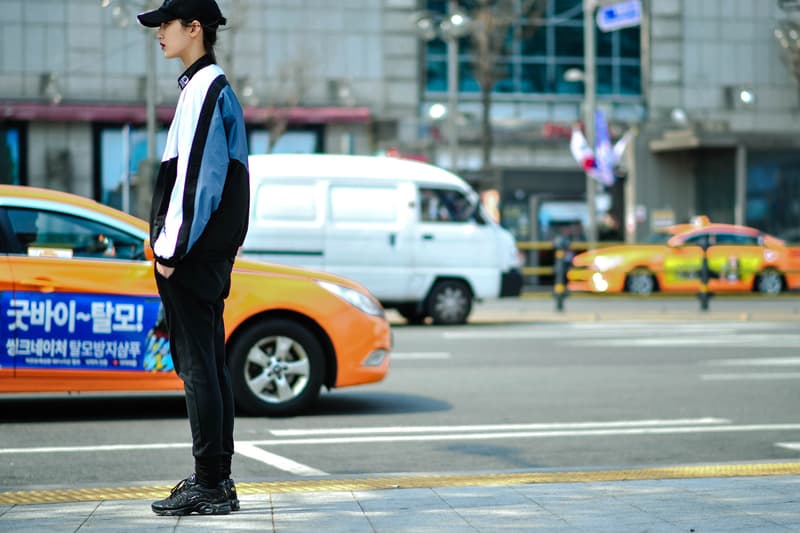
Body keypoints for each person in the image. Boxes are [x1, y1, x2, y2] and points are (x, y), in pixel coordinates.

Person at [137, 0, 250, 517]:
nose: (159, 33)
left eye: (166, 24)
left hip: (191, 255)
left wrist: (170, 250)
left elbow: (197, 183)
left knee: (199, 368)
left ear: (194, 28)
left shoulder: (206, 89)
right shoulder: (206, 88)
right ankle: (216, 481)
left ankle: (210, 483)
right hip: (204, 253)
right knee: (209, 365)